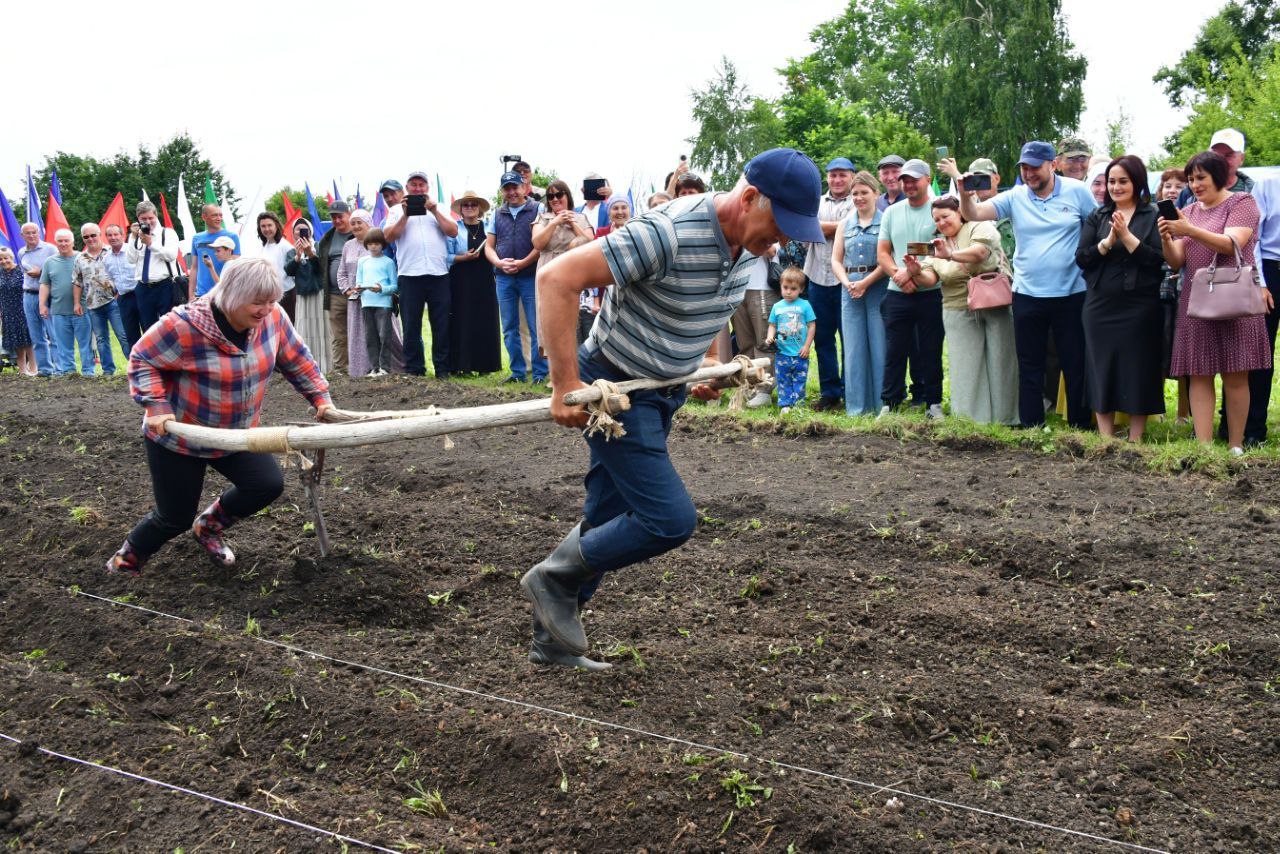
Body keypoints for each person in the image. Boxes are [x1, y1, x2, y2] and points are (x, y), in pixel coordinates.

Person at [525, 147, 824, 670]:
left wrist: (705, 362)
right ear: (750, 198)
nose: (781, 242)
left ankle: (552, 644)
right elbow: (557, 280)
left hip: (666, 387)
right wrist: (564, 385)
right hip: (615, 389)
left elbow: (714, 300)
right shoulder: (667, 232)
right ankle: (553, 576)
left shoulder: (751, 245)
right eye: (779, 226)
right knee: (668, 519)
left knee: (607, 513)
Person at [107, 257, 333, 575]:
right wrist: (155, 404)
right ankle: (125, 562)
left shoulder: (273, 319)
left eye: (271, 301)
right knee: (174, 517)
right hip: (180, 437)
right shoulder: (185, 325)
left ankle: (209, 527)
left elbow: (297, 359)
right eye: (257, 302)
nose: (266, 309)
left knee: (266, 484)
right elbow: (143, 358)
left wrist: (320, 398)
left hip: (234, 433)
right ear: (230, 295)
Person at [957, 141, 1097, 429]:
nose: (1029, 173)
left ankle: (1080, 425)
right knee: (1029, 364)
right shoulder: (1015, 196)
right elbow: (972, 214)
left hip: (1071, 293)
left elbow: (1096, 228)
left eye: (1034, 166)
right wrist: (964, 193)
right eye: (1024, 167)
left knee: (1074, 363)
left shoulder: (1078, 192)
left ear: (1052, 164)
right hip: (1028, 294)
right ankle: (1032, 424)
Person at [1160, 150, 1273, 454]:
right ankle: (1204, 446)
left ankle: (1236, 445)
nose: (1195, 185)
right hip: (1196, 302)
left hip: (1235, 300)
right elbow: (1177, 261)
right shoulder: (1190, 211)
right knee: (1199, 373)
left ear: (1219, 177)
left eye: (1201, 178)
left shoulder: (1242, 202)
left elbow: (1231, 242)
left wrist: (1188, 229)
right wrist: (1167, 238)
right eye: (1192, 179)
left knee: (1236, 375)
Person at [1074, 155, 1167, 441]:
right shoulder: (1097, 216)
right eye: (1111, 181)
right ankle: (1106, 436)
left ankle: (1136, 437)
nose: (1115, 187)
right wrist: (1107, 242)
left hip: (1141, 305)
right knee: (1101, 365)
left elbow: (1158, 261)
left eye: (1122, 181)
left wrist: (1126, 237)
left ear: (1137, 182)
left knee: (1139, 366)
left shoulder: (1153, 215)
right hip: (1100, 304)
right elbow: (1082, 258)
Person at [903, 195, 1018, 424]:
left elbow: (980, 254)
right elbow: (931, 277)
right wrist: (915, 271)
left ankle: (1007, 418)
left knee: (1002, 358)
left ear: (959, 213)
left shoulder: (978, 225)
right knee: (965, 365)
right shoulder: (935, 244)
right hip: (956, 306)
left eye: (945, 216)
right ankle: (972, 420)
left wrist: (950, 254)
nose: (941, 223)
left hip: (993, 299)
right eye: (936, 219)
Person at [877, 158, 945, 419]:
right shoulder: (892, 212)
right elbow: (883, 252)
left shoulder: (937, 208)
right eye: (905, 179)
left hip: (931, 292)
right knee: (895, 350)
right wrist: (899, 275)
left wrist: (912, 273)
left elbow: (939, 246)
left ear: (928, 179)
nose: (908, 184)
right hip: (897, 293)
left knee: (931, 350)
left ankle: (933, 403)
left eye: (914, 179)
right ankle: (890, 403)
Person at [382, 171, 458, 378]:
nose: (418, 188)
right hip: (410, 275)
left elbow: (453, 231)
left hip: (438, 273)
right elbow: (388, 237)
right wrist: (406, 214)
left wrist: (434, 210)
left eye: (421, 185)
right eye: (413, 185)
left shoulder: (439, 206)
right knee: (411, 326)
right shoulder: (397, 210)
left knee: (441, 324)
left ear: (427, 187)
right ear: (407, 189)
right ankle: (415, 370)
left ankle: (443, 369)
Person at [803, 157, 858, 411]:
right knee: (822, 338)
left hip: (847, 280)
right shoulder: (816, 202)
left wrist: (823, 228)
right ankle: (829, 392)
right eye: (833, 175)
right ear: (827, 177)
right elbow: (807, 230)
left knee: (850, 337)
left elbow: (853, 230)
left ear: (852, 177)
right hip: (816, 278)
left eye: (842, 175)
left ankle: (850, 390)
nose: (837, 180)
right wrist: (838, 227)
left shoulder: (857, 200)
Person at [831, 171, 887, 416]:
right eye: (855, 193)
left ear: (876, 194)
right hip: (850, 289)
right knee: (853, 349)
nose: (859, 197)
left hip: (878, 286)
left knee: (879, 345)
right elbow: (835, 260)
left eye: (864, 192)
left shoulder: (886, 220)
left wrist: (866, 283)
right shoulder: (844, 224)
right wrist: (847, 283)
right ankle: (856, 408)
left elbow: (888, 260)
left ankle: (882, 405)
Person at [486, 170, 545, 383]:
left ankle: (540, 373)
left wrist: (523, 263)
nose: (511, 192)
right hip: (503, 277)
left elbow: (541, 244)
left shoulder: (538, 208)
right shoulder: (497, 213)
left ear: (524, 188)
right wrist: (498, 262)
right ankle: (518, 373)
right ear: (503, 191)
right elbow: (489, 247)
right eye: (507, 188)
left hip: (529, 275)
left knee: (534, 325)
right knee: (510, 328)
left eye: (515, 187)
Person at [531, 181, 595, 344]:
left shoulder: (581, 218)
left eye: (559, 194)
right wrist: (554, 222)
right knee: (548, 316)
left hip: (572, 270)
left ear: (567, 196)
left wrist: (571, 223)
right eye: (551, 196)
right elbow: (537, 243)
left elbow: (590, 244)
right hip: (547, 269)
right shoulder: (542, 218)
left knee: (572, 316)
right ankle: (552, 361)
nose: (555, 199)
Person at [444, 192, 501, 374]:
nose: (470, 207)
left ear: (480, 209)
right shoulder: (454, 229)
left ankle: (486, 365)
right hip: (461, 281)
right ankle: (463, 366)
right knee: (463, 320)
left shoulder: (489, 227)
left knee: (485, 320)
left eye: (473, 204)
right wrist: (463, 258)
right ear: (460, 209)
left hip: (484, 281)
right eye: (466, 205)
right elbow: (447, 256)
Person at [1245, 173, 1280, 444]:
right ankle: (1253, 430)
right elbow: (1253, 237)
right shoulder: (1268, 184)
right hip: (1271, 269)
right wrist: (1260, 283)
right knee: (1261, 354)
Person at [1158, 169, 1191, 424]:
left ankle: (1183, 412)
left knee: (1182, 355)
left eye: (1178, 185)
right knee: (1156, 351)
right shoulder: (1150, 215)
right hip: (1156, 292)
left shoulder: (1189, 216)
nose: (1172, 190)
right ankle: (1155, 409)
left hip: (1183, 294)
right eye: (1167, 185)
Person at [75, 223, 129, 376]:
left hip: (114, 301)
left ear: (99, 235)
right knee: (101, 340)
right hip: (93, 305)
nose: (90, 239)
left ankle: (135, 367)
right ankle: (108, 371)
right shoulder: (80, 258)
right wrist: (77, 302)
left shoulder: (111, 252)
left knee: (123, 335)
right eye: (86, 237)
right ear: (83, 239)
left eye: (93, 235)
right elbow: (77, 282)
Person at [39, 229, 94, 376]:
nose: (63, 244)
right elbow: (45, 284)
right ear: (55, 242)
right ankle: (69, 372)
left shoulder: (83, 258)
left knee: (85, 344)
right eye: (60, 241)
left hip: (82, 309)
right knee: (63, 345)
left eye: (66, 241)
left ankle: (88, 372)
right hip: (58, 310)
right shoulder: (50, 262)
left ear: (73, 242)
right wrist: (42, 304)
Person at [733, 244, 781, 407]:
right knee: (744, 344)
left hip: (762, 287)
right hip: (738, 287)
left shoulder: (771, 220)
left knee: (764, 342)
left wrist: (744, 239)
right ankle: (749, 386)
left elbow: (771, 250)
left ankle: (764, 389)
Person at [127, 201, 183, 334]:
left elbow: (171, 255)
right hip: (144, 287)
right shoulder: (135, 235)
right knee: (149, 329)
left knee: (171, 326)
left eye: (150, 218)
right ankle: (154, 355)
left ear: (156, 217)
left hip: (166, 285)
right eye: (143, 219)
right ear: (138, 219)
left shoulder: (167, 233)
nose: (148, 221)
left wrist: (151, 244)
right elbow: (131, 259)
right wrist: (133, 237)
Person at [765, 266, 816, 413]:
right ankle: (785, 405)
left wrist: (807, 346)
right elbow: (772, 325)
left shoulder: (805, 305)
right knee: (783, 380)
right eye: (785, 287)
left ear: (801, 289)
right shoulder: (777, 306)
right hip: (782, 353)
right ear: (780, 286)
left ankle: (798, 405)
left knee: (799, 380)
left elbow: (812, 326)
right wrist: (770, 337)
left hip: (800, 353)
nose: (788, 291)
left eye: (793, 288)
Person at [284, 220, 330, 373]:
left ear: (310, 231)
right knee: (304, 330)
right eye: (298, 230)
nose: (301, 233)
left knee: (321, 329)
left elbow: (322, 269)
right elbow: (289, 271)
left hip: (319, 294)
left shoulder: (318, 246)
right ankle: (307, 365)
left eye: (304, 229)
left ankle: (325, 365)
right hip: (302, 296)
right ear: (293, 233)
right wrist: (297, 256)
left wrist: (311, 254)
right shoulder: (291, 252)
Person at [316, 201, 355, 374]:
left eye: (340, 216)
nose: (337, 220)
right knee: (338, 335)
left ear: (349, 214)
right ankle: (341, 371)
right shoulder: (327, 239)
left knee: (360, 332)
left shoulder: (360, 233)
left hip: (357, 293)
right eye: (333, 217)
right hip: (333, 294)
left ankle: (364, 368)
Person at [356, 228, 398, 376]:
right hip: (366, 302)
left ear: (383, 245)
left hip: (384, 303)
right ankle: (374, 367)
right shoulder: (362, 261)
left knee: (384, 336)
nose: (373, 246)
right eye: (370, 243)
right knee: (370, 337)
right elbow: (359, 281)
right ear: (366, 244)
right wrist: (359, 288)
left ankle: (385, 368)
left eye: (377, 243)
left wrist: (382, 289)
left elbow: (394, 285)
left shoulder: (388, 262)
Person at [1176, 128, 1253, 208]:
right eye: (1216, 155)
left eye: (1228, 155)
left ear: (1242, 158)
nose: (1222, 160)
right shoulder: (1188, 193)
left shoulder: (1255, 192)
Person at [17, 222, 58, 375]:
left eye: (34, 232)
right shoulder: (21, 252)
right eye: (28, 233)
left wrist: (41, 273)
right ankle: (45, 369)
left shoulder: (50, 249)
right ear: (22, 236)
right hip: (28, 294)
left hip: (47, 295)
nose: (32, 235)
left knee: (53, 333)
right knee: (36, 335)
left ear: (39, 232)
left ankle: (60, 368)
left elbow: (57, 272)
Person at [102, 224, 141, 350]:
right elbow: (111, 279)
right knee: (130, 335)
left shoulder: (132, 250)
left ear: (122, 235)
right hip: (124, 298)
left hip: (140, 293)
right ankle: (138, 365)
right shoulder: (106, 258)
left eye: (116, 234)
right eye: (109, 235)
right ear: (106, 237)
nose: (113, 237)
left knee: (149, 329)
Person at [189, 204, 240, 301]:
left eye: (221, 215)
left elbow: (235, 268)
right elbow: (194, 267)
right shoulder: (196, 238)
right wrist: (191, 295)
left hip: (224, 295)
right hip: (202, 294)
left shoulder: (232, 236)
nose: (219, 218)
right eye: (215, 215)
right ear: (204, 217)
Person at [253, 212, 296, 321]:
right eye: (263, 226)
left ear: (276, 225)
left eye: (269, 225)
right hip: (269, 296)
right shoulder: (264, 246)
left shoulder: (286, 247)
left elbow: (293, 272)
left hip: (286, 295)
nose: (267, 229)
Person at [0, 248, 35, 375]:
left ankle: (33, 368)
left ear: (12, 257)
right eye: (1, 259)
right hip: (7, 311)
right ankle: (22, 370)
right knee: (16, 341)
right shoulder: (0, 272)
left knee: (27, 339)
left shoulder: (21, 270)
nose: (3, 261)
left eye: (6, 258)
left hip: (22, 309)